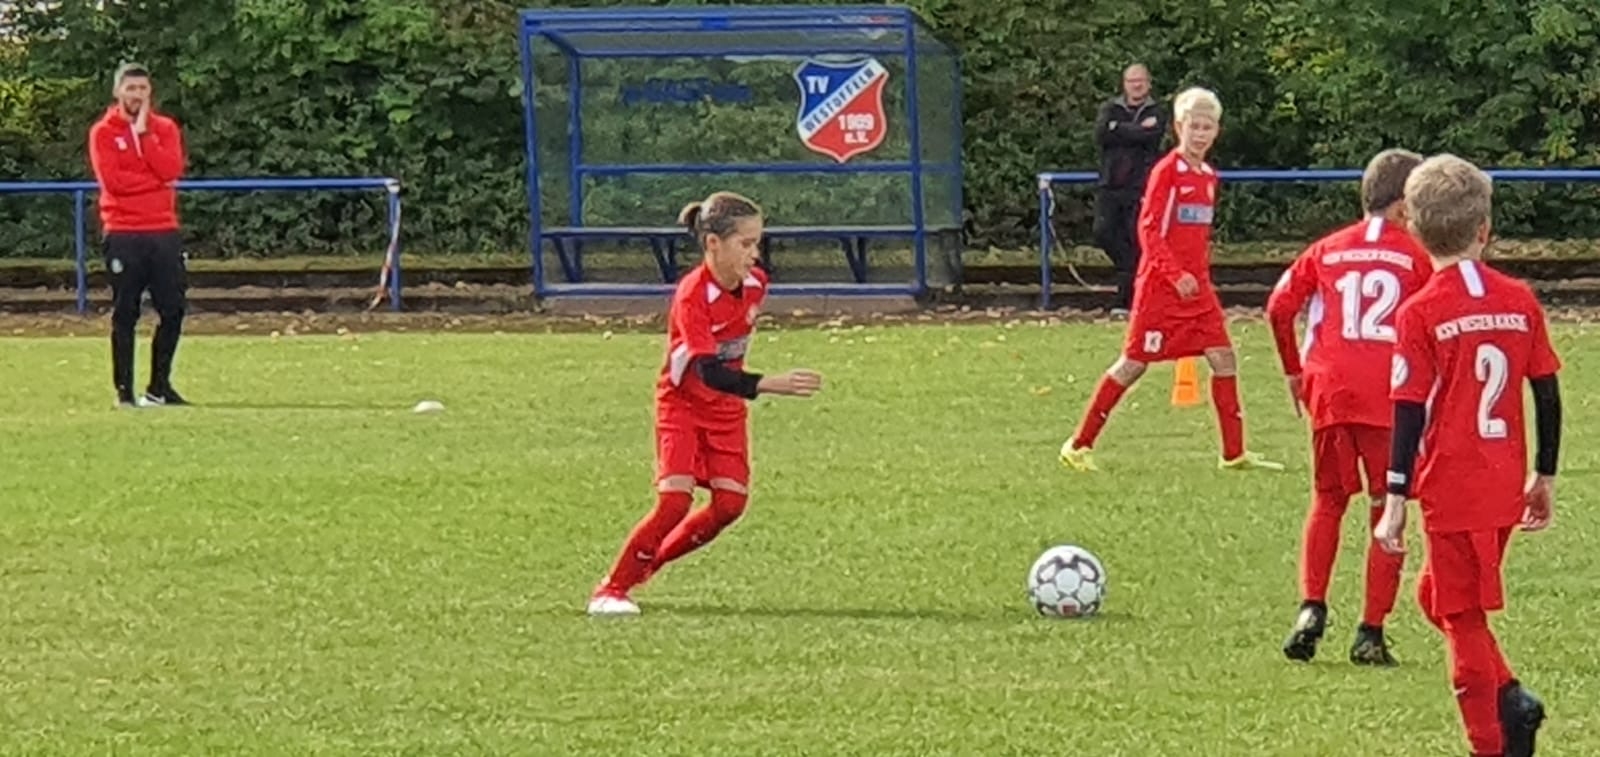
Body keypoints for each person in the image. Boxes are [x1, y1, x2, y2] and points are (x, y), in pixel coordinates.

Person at [1375, 154, 1561, 757]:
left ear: (1413, 228)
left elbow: (1408, 410)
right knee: (1437, 597)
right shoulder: (1519, 298)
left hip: (1452, 487)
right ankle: (1512, 697)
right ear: (1485, 228)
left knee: (1461, 618)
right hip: (1504, 481)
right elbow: (1547, 390)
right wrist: (1545, 474)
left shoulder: (1420, 311)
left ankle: (1492, 740)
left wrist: (1394, 500)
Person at [587, 192, 824, 617]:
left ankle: (649, 564)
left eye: (757, 243)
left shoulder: (756, 284)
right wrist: (768, 383)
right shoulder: (692, 295)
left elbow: (727, 361)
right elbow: (708, 372)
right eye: (745, 244)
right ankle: (611, 588)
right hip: (682, 403)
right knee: (674, 501)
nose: (755, 254)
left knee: (730, 505)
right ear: (713, 243)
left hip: (725, 407)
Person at [1265, 148, 1432, 666]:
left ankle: (1311, 606)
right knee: (1388, 506)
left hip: (1330, 389)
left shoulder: (1327, 248)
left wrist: (1293, 370)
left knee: (1328, 499)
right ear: (1404, 206)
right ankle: (1370, 631)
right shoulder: (1416, 256)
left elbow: (1278, 307)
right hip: (1390, 395)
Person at [1060, 87, 1281, 472]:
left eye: (1207, 127)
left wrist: (1196, 274)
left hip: (1197, 290)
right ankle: (1078, 445)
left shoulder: (1208, 176)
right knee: (1133, 364)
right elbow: (1149, 230)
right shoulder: (1167, 172)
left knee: (1224, 358)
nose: (1200, 134)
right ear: (1179, 127)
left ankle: (1233, 454)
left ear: (1217, 131)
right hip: (1161, 288)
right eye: (1194, 126)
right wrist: (1174, 274)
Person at [88, 62, 189, 408]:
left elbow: (171, 169)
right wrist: (155, 183)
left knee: (173, 309)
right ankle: (124, 392)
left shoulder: (164, 128)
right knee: (125, 312)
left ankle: (159, 388)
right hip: (124, 232)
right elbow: (114, 183)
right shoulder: (103, 132)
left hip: (163, 231)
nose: (137, 94)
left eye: (142, 88)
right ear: (118, 91)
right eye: (130, 88)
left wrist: (145, 136)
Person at [1093, 63, 1168, 315]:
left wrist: (1119, 129)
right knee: (1103, 233)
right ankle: (1129, 275)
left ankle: (1127, 300)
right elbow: (1102, 135)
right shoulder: (1109, 108)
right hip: (1110, 184)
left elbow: (1152, 136)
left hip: (1140, 187)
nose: (1136, 85)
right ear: (1124, 84)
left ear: (1149, 83)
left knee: (1136, 239)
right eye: (1131, 81)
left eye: (1140, 80)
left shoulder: (1157, 111)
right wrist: (1136, 130)